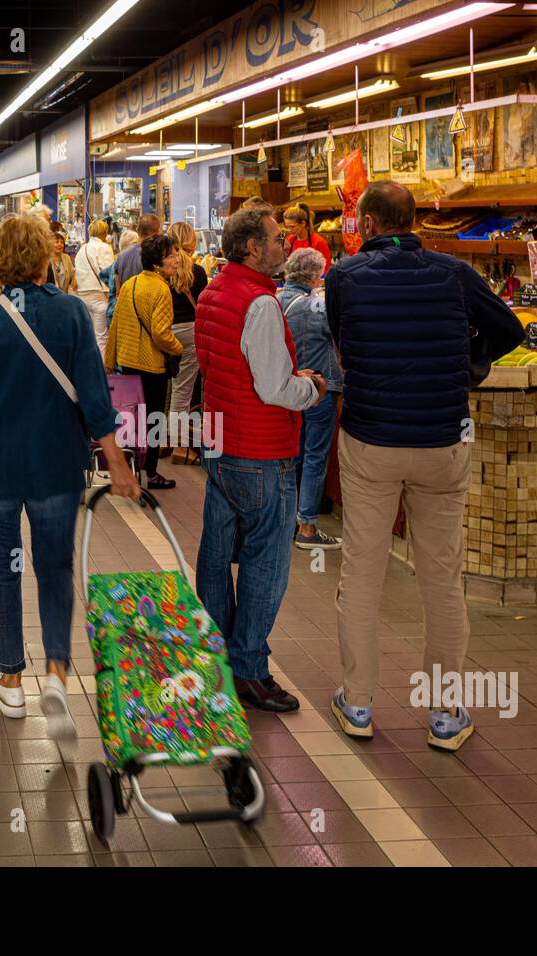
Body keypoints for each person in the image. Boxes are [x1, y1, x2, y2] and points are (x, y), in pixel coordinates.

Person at [0, 213, 139, 740]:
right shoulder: (70, 316)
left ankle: (12, 679)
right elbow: (95, 398)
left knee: (4, 569)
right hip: (55, 469)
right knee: (55, 568)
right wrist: (117, 462)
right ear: (46, 258)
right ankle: (59, 674)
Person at [325, 180, 522, 746]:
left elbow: (343, 341)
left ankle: (358, 705)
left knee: (362, 572)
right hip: (442, 441)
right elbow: (510, 328)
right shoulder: (454, 274)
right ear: (413, 223)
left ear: (366, 224)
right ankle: (445, 714)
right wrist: (468, 368)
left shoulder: (342, 278)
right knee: (442, 577)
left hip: (371, 441)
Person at [194, 206, 323, 712]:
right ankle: (249, 669)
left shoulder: (212, 292)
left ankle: (218, 657)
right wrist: (310, 388)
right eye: (275, 239)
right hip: (261, 450)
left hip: (220, 444)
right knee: (265, 563)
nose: (284, 246)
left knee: (214, 557)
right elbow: (274, 387)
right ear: (252, 247)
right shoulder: (261, 304)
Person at [105, 233, 183, 491]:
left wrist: (110, 359)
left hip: (128, 361)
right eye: (172, 255)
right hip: (152, 365)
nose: (176, 260)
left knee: (133, 417)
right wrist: (177, 346)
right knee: (154, 418)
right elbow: (161, 333)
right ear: (158, 262)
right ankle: (150, 472)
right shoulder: (161, 288)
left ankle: (133, 464)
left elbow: (116, 324)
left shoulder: (131, 284)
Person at [278, 247, 343, 549]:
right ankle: (307, 527)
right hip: (318, 390)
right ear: (316, 275)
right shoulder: (317, 307)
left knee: (293, 455)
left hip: (288, 391)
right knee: (315, 457)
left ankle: (287, 519)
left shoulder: (275, 301)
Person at [165, 221, 208, 450]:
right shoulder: (198, 271)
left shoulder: (163, 270)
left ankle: (163, 440)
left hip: (166, 330)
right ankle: (178, 443)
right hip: (190, 331)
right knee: (183, 389)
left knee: (169, 386)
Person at [74, 219, 116, 350]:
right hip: (99, 297)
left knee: (89, 338)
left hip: (83, 297)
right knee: (101, 338)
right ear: (104, 232)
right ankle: (101, 370)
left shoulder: (82, 249)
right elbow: (108, 272)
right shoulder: (104, 247)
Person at [115, 213, 160, 292]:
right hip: (147, 302)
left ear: (137, 230)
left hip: (126, 302)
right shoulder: (155, 255)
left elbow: (118, 291)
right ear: (157, 232)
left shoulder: (121, 255)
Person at [282, 203, 332, 273]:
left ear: (303, 223)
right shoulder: (289, 240)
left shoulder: (319, 242)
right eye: (287, 227)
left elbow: (325, 270)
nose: (290, 230)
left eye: (292, 227)